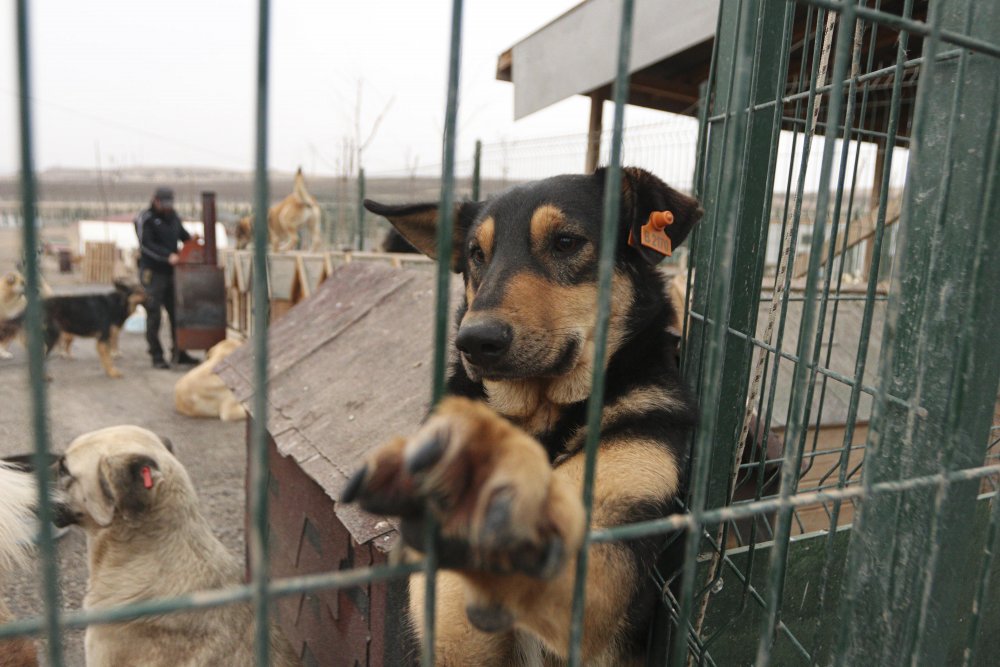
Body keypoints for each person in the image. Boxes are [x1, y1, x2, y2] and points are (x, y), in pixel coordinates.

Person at [135, 187, 199, 369]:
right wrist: (167, 256)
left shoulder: (173, 217)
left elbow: (183, 235)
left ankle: (180, 352)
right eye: (164, 203)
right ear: (155, 201)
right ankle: (157, 355)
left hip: (173, 274)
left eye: (170, 203)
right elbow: (145, 245)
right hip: (153, 273)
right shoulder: (146, 219)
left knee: (177, 314)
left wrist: (192, 242)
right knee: (154, 314)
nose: (167, 207)